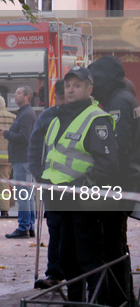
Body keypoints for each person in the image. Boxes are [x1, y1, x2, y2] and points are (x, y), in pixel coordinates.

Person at [42, 66, 119, 303]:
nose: (71, 90)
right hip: (60, 202)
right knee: (68, 260)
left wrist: (81, 187)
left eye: (77, 85)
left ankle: (99, 302)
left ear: (89, 88)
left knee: (89, 259)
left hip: (83, 203)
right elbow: (49, 156)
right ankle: (74, 302)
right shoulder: (59, 117)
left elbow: (107, 165)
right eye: (68, 85)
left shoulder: (96, 119)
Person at [89, 56, 140, 305]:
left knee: (113, 244)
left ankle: (120, 297)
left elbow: (117, 144)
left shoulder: (118, 101)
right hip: (123, 181)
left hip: (118, 183)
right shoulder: (122, 97)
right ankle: (123, 295)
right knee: (115, 242)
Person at [27, 79, 65, 289]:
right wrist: (40, 175)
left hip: (66, 184)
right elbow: (34, 148)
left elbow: (33, 149)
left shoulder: (48, 115)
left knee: (60, 228)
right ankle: (56, 272)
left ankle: (59, 273)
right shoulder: (48, 116)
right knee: (57, 227)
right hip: (55, 183)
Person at [0, 86, 37, 238]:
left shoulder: (26, 114)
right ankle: (30, 226)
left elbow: (24, 137)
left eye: (19, 93)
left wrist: (6, 134)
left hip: (22, 159)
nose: (15, 95)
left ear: (27, 96)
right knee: (28, 195)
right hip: (23, 159)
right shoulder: (25, 113)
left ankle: (23, 227)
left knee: (23, 195)